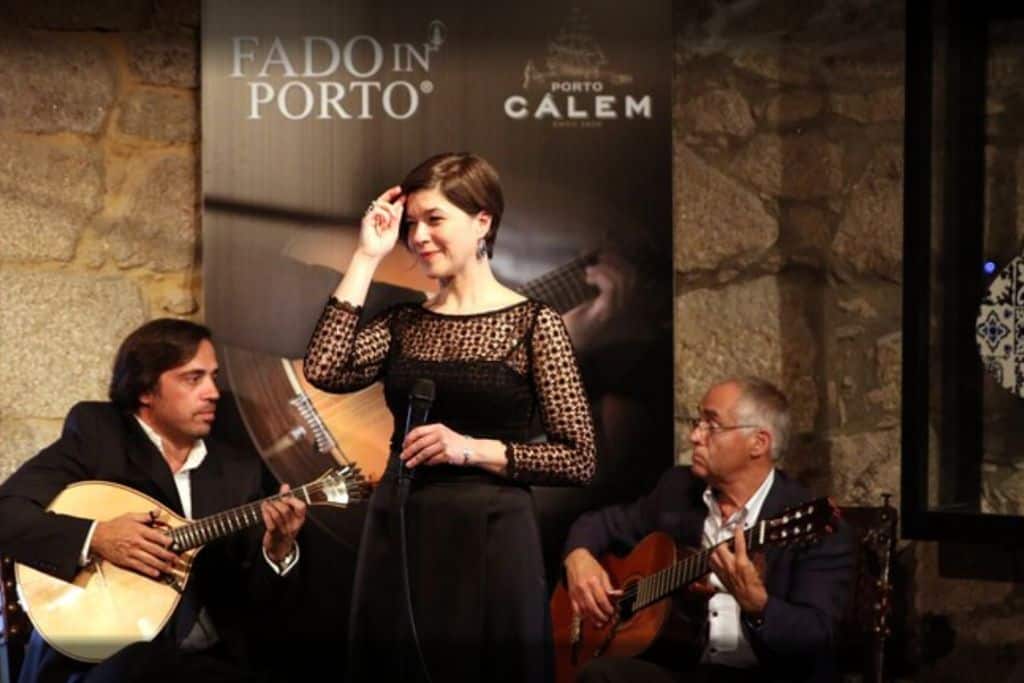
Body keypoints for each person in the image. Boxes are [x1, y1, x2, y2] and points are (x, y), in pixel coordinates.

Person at [303, 152, 597, 682]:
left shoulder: (535, 325)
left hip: (491, 536)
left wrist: (474, 449)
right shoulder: (403, 324)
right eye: (412, 224)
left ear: (483, 221)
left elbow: (578, 459)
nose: (417, 237)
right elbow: (325, 368)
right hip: (403, 525)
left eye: (434, 219)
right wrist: (367, 257)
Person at [0, 318, 308, 683]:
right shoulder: (99, 435)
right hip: (99, 660)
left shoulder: (238, 469)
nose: (213, 392)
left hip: (207, 661)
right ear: (146, 389)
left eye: (214, 377)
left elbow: (257, 605)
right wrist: (97, 537)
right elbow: (7, 514)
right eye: (193, 379)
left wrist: (277, 552)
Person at [562, 377, 853, 683]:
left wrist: (758, 606)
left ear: (758, 443)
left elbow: (818, 638)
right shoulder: (677, 489)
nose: (695, 436)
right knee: (600, 676)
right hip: (684, 665)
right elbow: (599, 524)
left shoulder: (814, 525)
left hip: (766, 674)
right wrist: (578, 556)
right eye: (696, 422)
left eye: (711, 425)